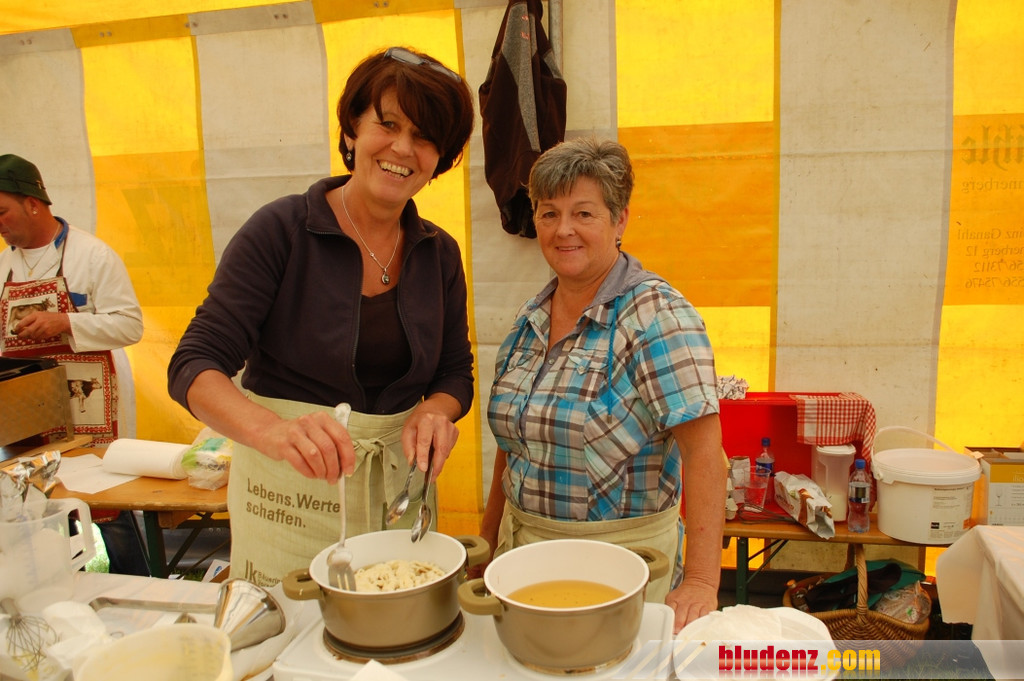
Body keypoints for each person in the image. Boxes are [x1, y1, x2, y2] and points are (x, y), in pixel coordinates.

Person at [168, 47, 476, 587]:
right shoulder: (282, 231)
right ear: (352, 128)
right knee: (290, 628)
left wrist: (435, 411)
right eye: (388, 124)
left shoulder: (439, 252)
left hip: (397, 496)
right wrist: (272, 431)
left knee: (395, 619)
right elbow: (194, 364)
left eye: (425, 137)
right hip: (287, 496)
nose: (403, 148)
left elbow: (455, 372)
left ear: (440, 158)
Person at [481, 137, 727, 633]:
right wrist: (486, 547)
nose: (563, 230)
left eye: (583, 213)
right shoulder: (530, 319)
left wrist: (702, 581)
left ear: (620, 221)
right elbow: (514, 447)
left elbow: (705, 454)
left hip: (623, 571)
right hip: (524, 561)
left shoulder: (656, 317)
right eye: (549, 214)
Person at [0, 153, 150, 576]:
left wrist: (65, 321)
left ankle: (137, 581)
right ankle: (67, 585)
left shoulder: (93, 255)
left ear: (33, 203)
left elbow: (130, 325)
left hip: (90, 400)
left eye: (2, 211)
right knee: (43, 503)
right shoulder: (4, 265)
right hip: (27, 407)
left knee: (108, 501)